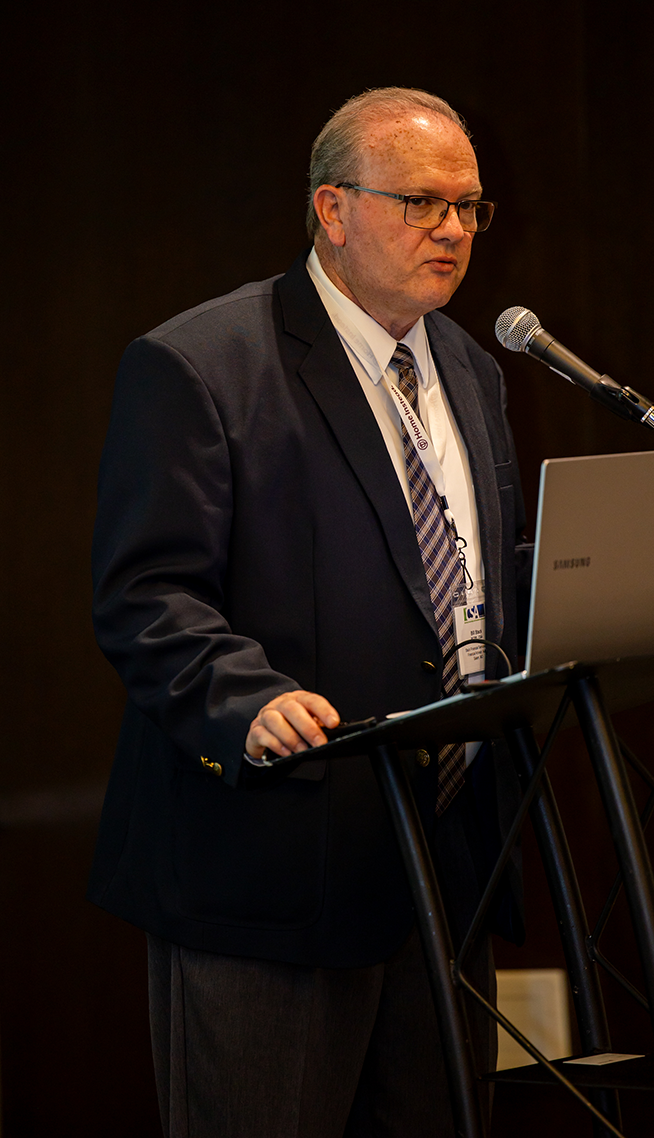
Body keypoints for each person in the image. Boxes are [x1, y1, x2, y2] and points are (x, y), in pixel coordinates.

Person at [90, 87, 528, 1138]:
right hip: (272, 870)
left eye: (469, 207)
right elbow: (147, 594)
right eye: (421, 203)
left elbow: (461, 580)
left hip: (443, 869)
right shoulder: (202, 365)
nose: (452, 230)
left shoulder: (469, 367)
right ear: (333, 209)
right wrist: (246, 699)